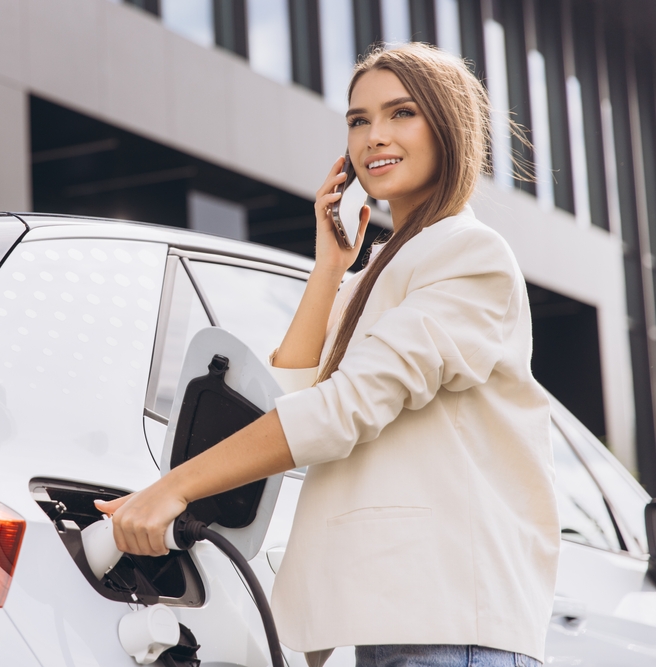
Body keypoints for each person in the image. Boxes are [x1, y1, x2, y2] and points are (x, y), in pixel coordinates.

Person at [96, 43, 559, 667]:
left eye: (401, 113)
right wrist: (330, 267)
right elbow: (290, 399)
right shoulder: (379, 275)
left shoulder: (467, 254)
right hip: (396, 617)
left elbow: (340, 411)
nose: (375, 136)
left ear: (449, 128)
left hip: (449, 618)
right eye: (358, 120)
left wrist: (174, 487)